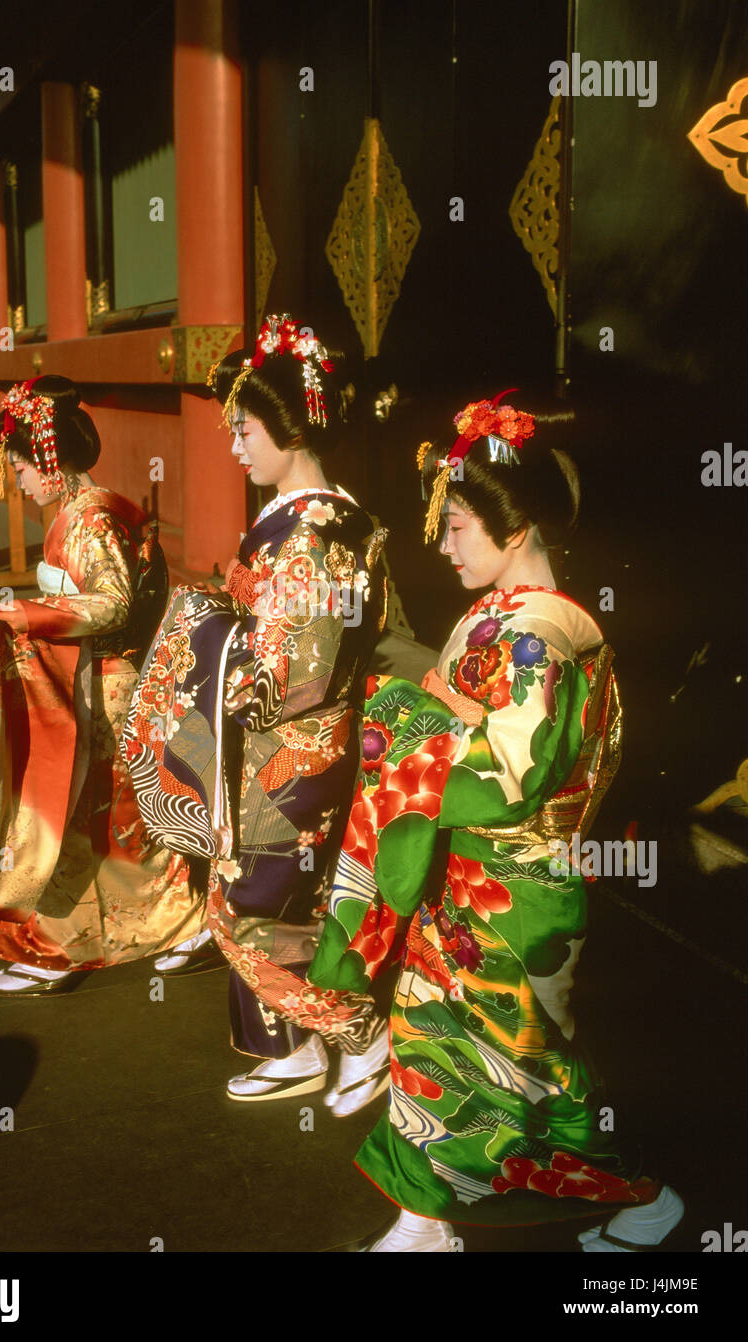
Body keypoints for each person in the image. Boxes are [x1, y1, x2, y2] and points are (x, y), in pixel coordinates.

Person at [308, 391, 684, 1250]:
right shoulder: (498, 619)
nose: (441, 547)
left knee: (529, 1067)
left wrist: (401, 726)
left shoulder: (541, 638)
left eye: (457, 529)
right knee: (433, 1046)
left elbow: (507, 773)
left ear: (514, 531)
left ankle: (639, 1197)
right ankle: (427, 1221)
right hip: (466, 875)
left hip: (516, 884)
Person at [122, 315, 390, 1111]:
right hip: (286, 738)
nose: (234, 446)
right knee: (260, 891)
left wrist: (203, 631)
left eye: (243, 429)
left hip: (292, 742)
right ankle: (289, 1044)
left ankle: (358, 1032)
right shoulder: (321, 516)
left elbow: (292, 668)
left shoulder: (310, 534)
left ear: (287, 425)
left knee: (254, 903)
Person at [0, 376, 205, 995]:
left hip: (109, 686)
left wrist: (27, 615)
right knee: (97, 820)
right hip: (93, 677)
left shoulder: (90, 522)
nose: (15, 480)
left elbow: (116, 603)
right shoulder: (85, 514)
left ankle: (76, 942)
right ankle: (122, 929)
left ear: (48, 458)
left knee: (93, 817)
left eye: (18, 467)